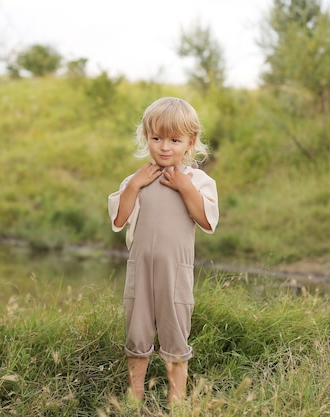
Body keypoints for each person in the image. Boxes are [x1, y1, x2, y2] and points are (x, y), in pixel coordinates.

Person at [107, 97, 219, 404]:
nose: (165, 147)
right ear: (146, 138)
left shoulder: (198, 180)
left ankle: (177, 401)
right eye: (156, 138)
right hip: (140, 270)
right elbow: (118, 219)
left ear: (190, 142)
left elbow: (207, 220)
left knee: (175, 333)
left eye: (174, 139)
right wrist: (133, 186)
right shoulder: (137, 179)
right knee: (137, 332)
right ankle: (135, 396)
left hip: (175, 272)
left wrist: (184, 186)